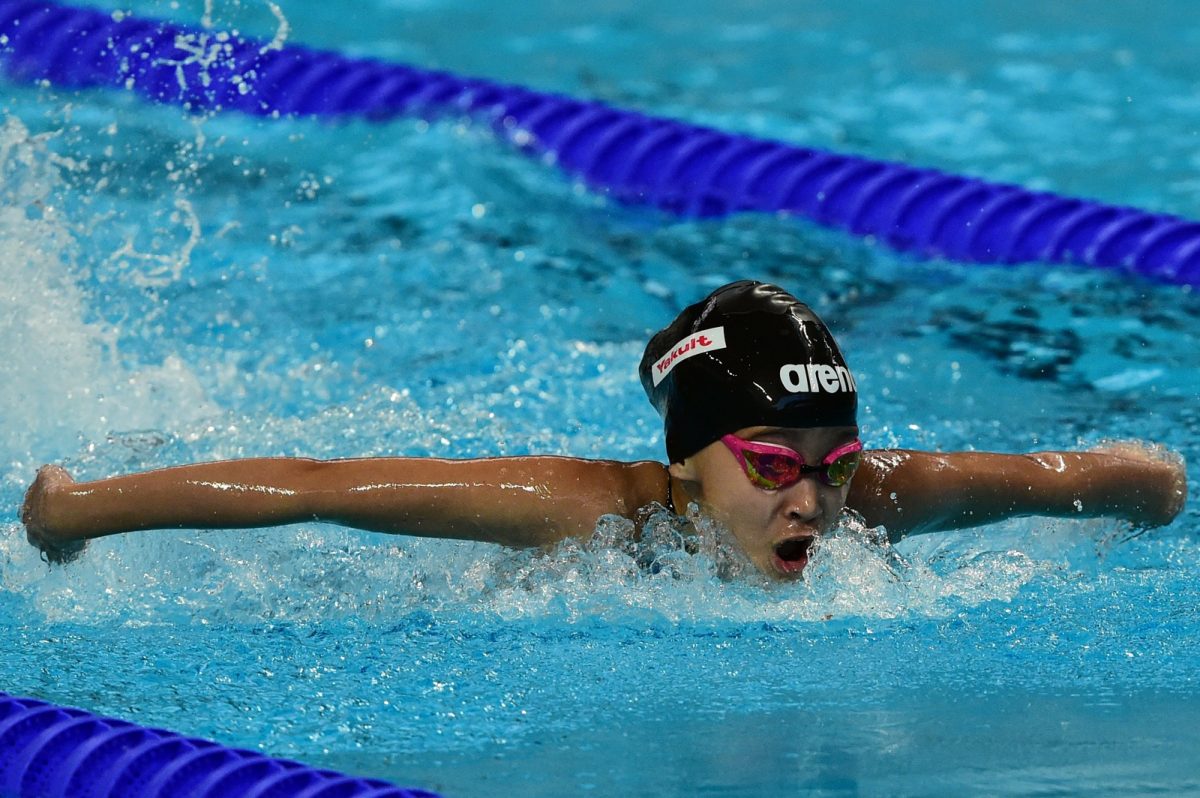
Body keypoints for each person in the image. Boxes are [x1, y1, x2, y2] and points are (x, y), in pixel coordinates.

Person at [20, 280, 1187, 577]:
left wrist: (1143, 488)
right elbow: (324, 485)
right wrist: (76, 512)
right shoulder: (585, 517)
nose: (814, 503)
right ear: (689, 457)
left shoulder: (873, 499)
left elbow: (1062, 475)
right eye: (775, 463)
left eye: (833, 467)